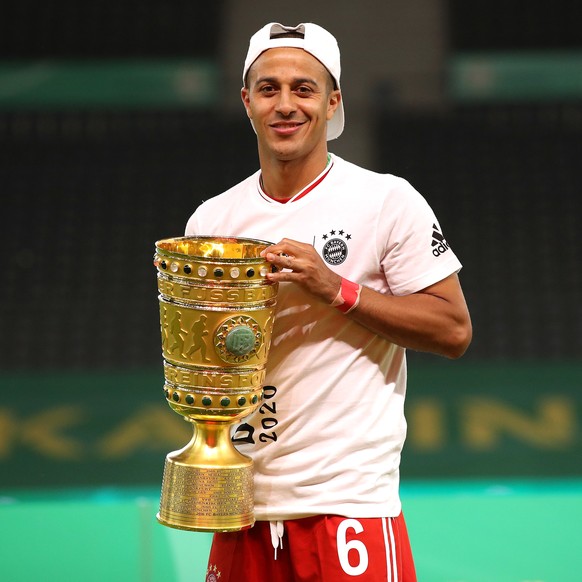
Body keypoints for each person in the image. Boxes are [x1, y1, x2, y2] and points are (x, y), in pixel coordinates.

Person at [185, 21, 472, 582]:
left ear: (332, 100)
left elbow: (454, 329)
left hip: (346, 505)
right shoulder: (212, 222)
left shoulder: (387, 201)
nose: (285, 104)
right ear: (247, 101)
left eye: (304, 88)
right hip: (243, 507)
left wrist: (335, 289)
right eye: (268, 88)